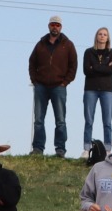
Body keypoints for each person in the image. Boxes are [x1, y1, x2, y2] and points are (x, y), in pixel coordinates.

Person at [28, 15, 77, 158]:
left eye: (57, 25)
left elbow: (73, 66)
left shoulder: (68, 45)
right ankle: (38, 148)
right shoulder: (40, 44)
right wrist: (35, 80)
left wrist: (65, 82)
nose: (55, 27)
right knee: (38, 120)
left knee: (60, 120)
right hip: (41, 87)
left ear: (61, 27)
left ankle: (60, 149)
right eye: (52, 25)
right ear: (49, 26)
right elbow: (32, 62)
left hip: (59, 87)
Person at [82, 27, 112, 157]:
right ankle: (86, 148)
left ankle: (107, 149)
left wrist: (95, 67)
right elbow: (86, 70)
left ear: (108, 38)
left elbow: (111, 70)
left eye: (105, 35)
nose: (102, 36)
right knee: (89, 120)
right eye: (100, 34)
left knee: (107, 121)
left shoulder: (111, 52)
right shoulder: (89, 52)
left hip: (107, 90)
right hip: (90, 89)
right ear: (96, 36)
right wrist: (103, 67)